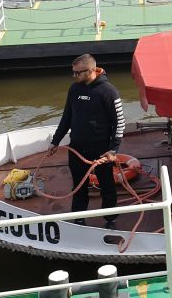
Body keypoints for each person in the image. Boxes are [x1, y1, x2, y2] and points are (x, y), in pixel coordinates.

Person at [48, 54, 126, 229]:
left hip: (101, 151)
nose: (74, 76)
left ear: (90, 71)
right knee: (79, 184)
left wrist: (114, 150)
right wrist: (55, 141)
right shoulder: (74, 89)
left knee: (106, 184)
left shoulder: (109, 91)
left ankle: (110, 217)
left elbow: (120, 122)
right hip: (76, 148)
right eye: (73, 73)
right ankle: (79, 217)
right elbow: (66, 116)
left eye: (77, 73)